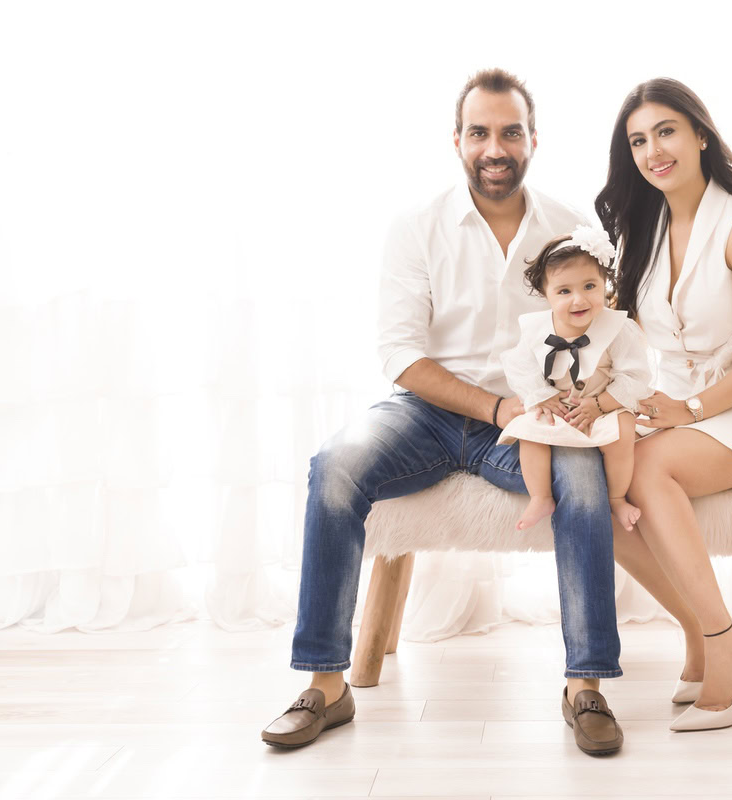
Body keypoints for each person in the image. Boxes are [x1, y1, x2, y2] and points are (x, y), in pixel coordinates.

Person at [261, 68, 625, 756]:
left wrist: (581, 398)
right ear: (457, 141)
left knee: (583, 482)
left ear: (533, 140)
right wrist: (490, 402)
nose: (496, 147)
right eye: (480, 132)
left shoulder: (569, 225)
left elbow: (603, 329)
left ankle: (586, 686)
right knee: (334, 467)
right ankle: (325, 685)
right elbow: (398, 353)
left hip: (530, 420)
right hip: (426, 411)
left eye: (510, 132)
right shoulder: (417, 227)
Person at [596, 77, 732, 731]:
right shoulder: (643, 229)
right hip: (676, 406)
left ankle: (727, 647)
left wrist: (692, 409)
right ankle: (698, 631)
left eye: (667, 131)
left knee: (648, 470)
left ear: (701, 135)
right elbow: (618, 335)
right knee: (597, 486)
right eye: (638, 140)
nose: (654, 149)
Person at [498, 226, 652, 533]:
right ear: (546, 294)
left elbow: (634, 375)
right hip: (560, 407)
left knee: (623, 431)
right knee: (531, 431)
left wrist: (600, 404)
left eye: (590, 286)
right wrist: (540, 395)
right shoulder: (536, 328)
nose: (579, 300)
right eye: (564, 291)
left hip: (604, 406)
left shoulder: (617, 328)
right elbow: (520, 365)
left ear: (605, 283)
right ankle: (541, 496)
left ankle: (617, 497)